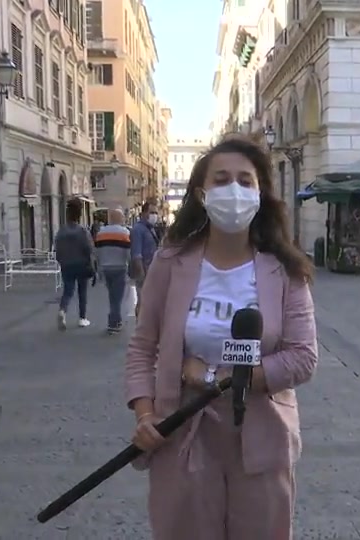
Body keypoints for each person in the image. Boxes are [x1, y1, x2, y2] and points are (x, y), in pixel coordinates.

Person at [125, 136, 318, 540]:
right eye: (222, 179)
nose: (234, 190)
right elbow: (143, 347)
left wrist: (213, 377)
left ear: (261, 192)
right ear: (202, 193)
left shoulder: (284, 269)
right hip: (182, 434)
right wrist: (145, 416)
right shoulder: (171, 261)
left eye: (245, 181)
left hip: (263, 438)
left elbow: (302, 358)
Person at [54, 199, 94, 330]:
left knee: (68, 290)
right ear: (79, 214)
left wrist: (61, 260)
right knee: (82, 291)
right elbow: (88, 248)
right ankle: (82, 318)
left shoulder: (61, 231)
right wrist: (92, 264)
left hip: (67, 264)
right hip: (82, 264)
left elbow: (57, 249)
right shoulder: (82, 231)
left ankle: (62, 310)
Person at [94, 208, 131, 334]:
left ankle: (116, 320)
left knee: (112, 295)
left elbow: (97, 253)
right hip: (119, 267)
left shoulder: (101, 233)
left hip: (106, 268)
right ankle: (113, 323)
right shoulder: (125, 232)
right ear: (120, 219)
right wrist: (130, 266)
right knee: (117, 297)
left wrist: (98, 268)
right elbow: (128, 252)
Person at [130, 201, 161, 317]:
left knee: (149, 302)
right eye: (152, 212)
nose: (154, 215)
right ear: (143, 213)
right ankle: (140, 327)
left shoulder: (150, 228)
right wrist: (141, 274)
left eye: (156, 213)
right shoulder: (138, 229)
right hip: (144, 271)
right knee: (143, 302)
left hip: (152, 271)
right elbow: (136, 253)